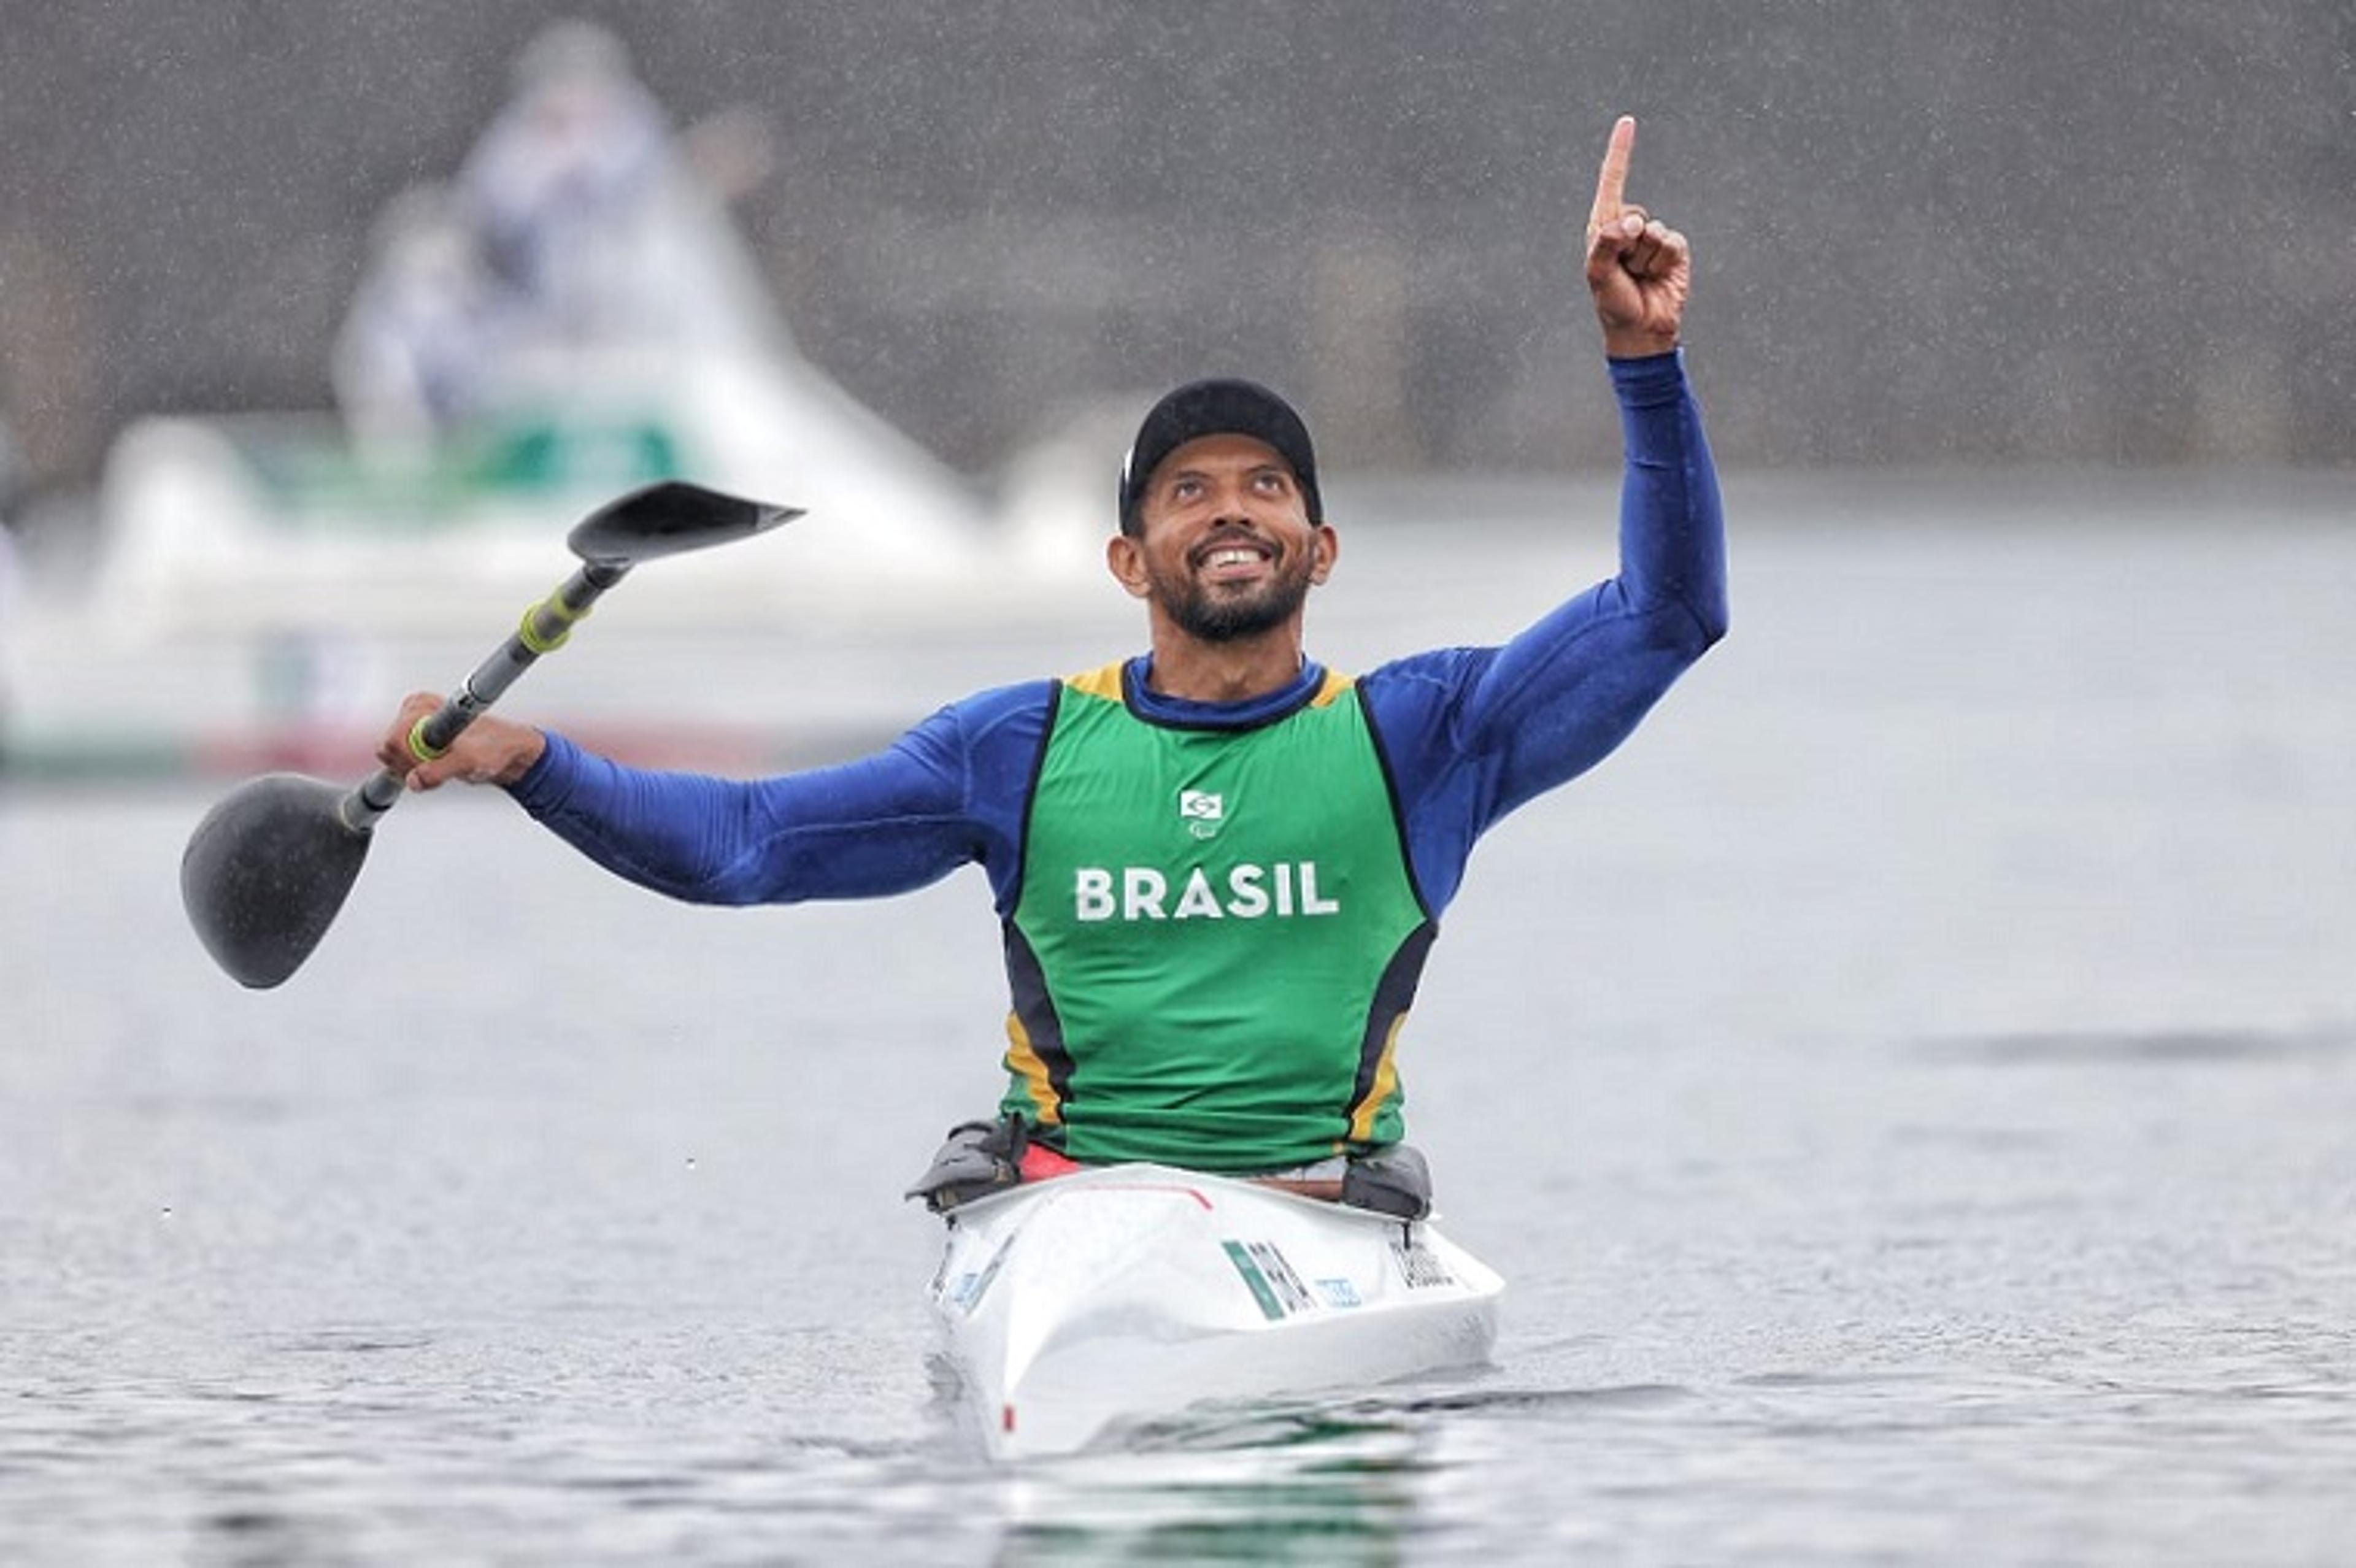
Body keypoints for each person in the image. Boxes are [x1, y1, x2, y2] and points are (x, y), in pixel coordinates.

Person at [374, 116, 1725, 1215]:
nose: (1233, 508)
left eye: (1267, 486)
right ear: (1130, 564)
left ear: (1321, 549)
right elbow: (746, 844)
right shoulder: (1012, 750)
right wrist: (528, 761)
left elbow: (1664, 614)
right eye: (1187, 492)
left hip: (1318, 1216)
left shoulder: (1424, 736)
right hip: (1062, 1216)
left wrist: (1642, 359)